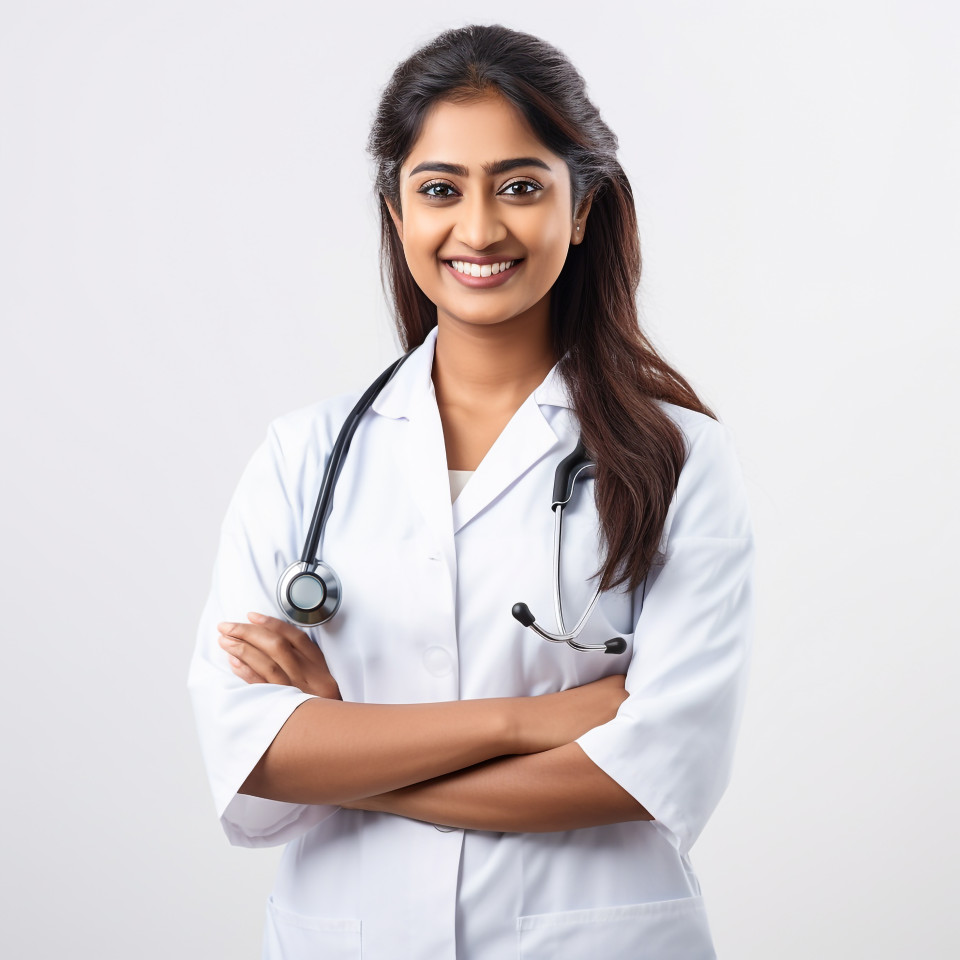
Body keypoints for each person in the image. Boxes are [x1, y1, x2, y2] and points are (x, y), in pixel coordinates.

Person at [188, 23, 754, 960]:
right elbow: (254, 753)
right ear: (397, 211)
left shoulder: (678, 458)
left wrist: (345, 746)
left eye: (521, 186)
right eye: (440, 189)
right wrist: (524, 723)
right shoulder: (300, 457)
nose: (480, 228)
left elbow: (649, 771)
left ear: (581, 208)